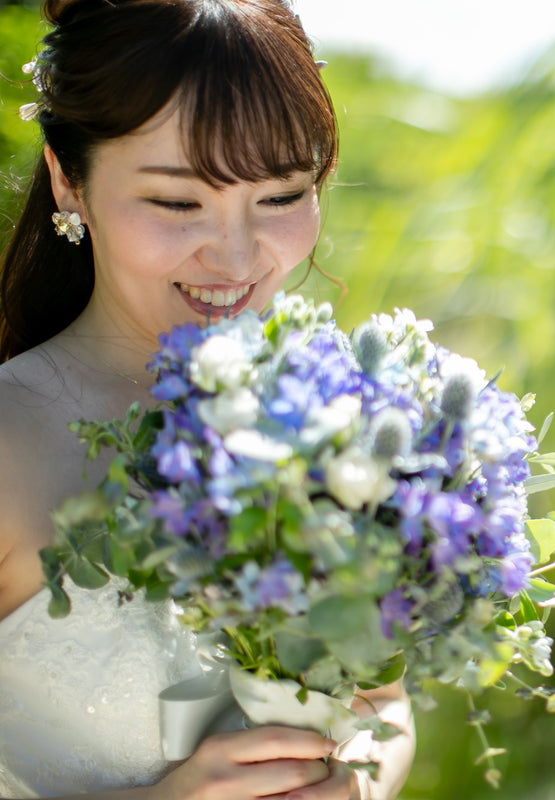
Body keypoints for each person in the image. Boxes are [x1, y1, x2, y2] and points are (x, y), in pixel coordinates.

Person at [0, 1, 415, 798]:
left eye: (283, 196)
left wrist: (361, 781)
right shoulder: (9, 442)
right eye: (177, 201)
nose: (235, 255)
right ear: (67, 178)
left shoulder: (338, 419)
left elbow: (384, 705)